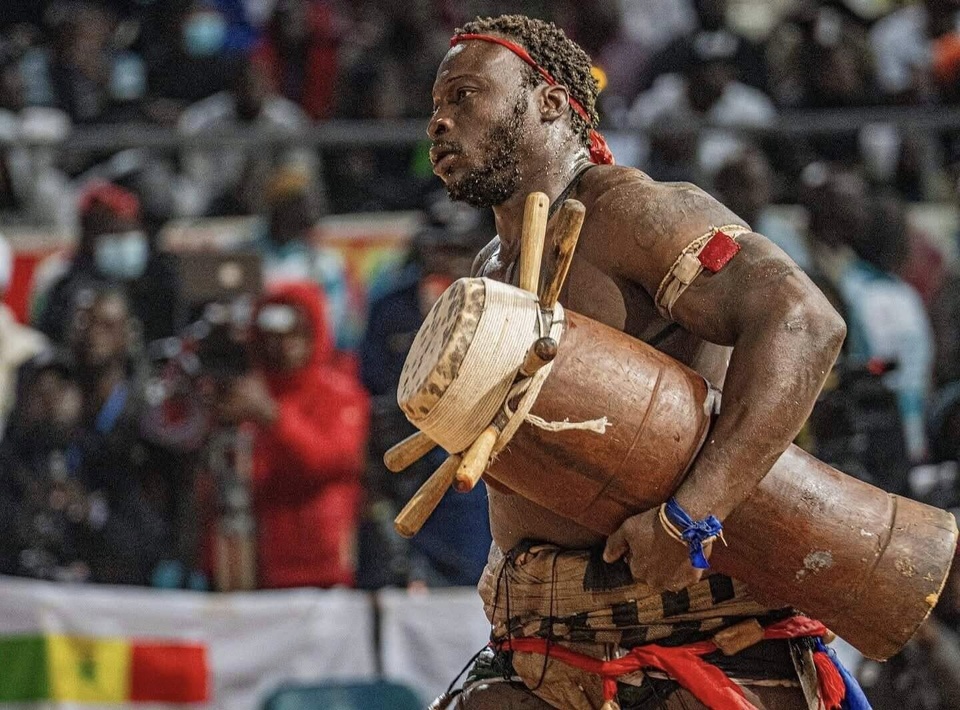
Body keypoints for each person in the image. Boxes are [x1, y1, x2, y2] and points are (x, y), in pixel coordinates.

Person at [425, 15, 851, 710]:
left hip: (689, 637)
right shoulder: (490, 267)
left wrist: (692, 516)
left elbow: (803, 320)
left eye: (464, 96)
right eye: (436, 107)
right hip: (544, 638)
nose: (439, 123)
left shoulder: (628, 213)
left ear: (551, 103)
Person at [212, 282, 369, 589]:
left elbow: (332, 459)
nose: (283, 345)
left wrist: (272, 416)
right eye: (272, 336)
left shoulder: (340, 392)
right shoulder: (246, 391)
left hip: (322, 567)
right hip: (252, 562)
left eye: (295, 333)